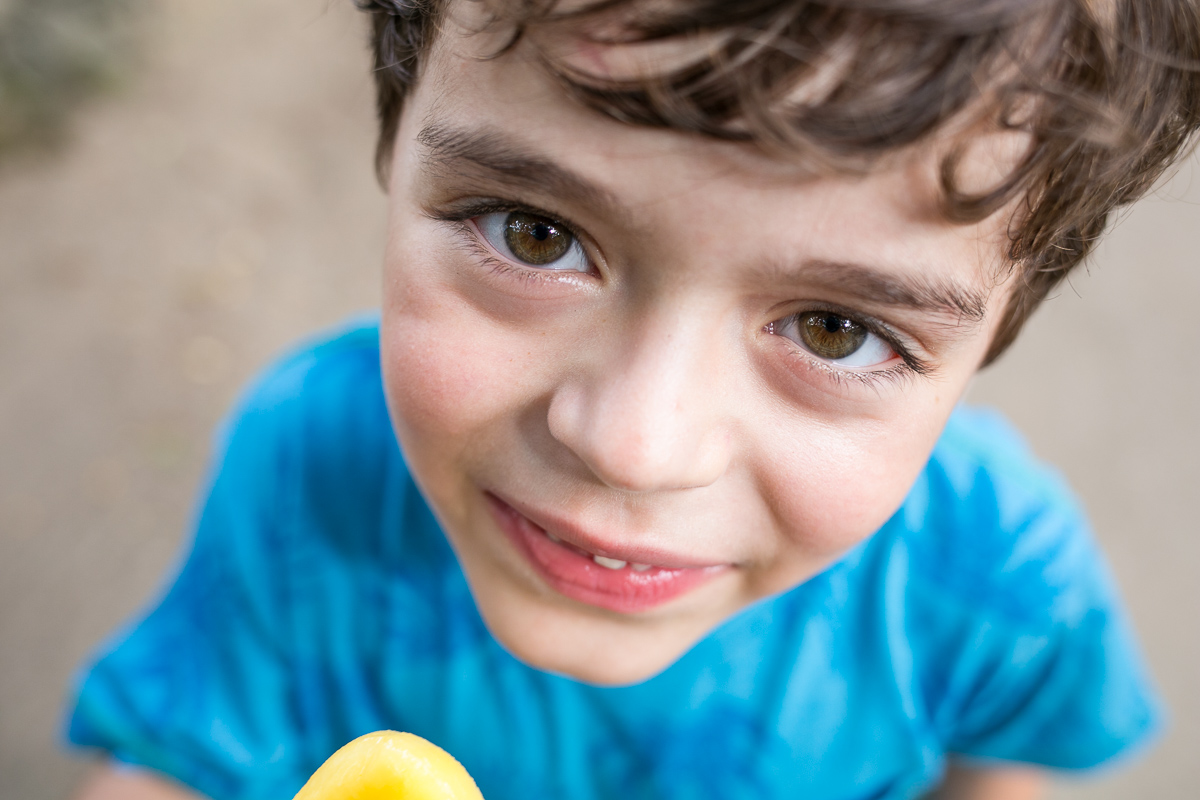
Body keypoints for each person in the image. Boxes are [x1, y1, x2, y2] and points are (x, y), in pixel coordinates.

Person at [65, 1, 1200, 798]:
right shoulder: (310, 465)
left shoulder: (994, 572)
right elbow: (179, 757)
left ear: (996, 333)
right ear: (394, 136)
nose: (633, 447)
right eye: (536, 233)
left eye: (835, 330)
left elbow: (1007, 765)